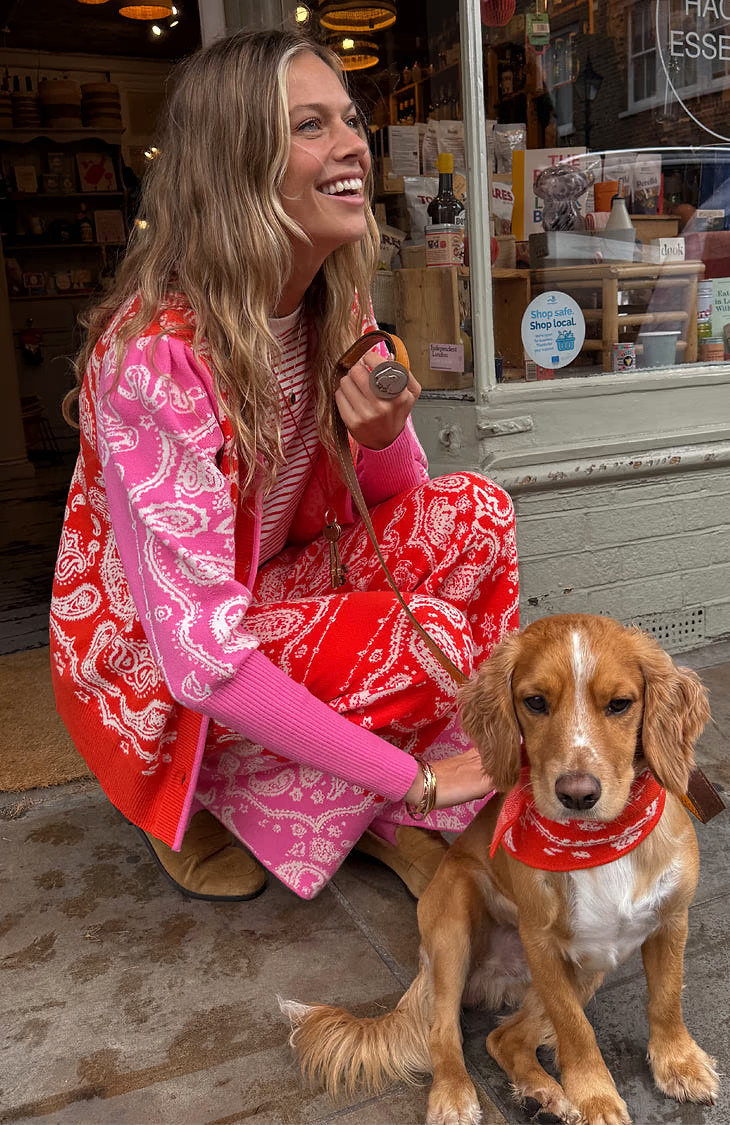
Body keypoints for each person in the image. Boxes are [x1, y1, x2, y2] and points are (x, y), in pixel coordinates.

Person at [49, 28, 519, 904]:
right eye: (310, 126)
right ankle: (202, 799)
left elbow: (408, 526)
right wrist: (408, 776)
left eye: (348, 118)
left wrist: (381, 437)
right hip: (158, 660)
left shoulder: (328, 298)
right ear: (239, 168)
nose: (351, 144)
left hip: (264, 589)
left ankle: (390, 784)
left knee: (476, 512)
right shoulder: (157, 359)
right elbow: (202, 659)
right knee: (429, 647)